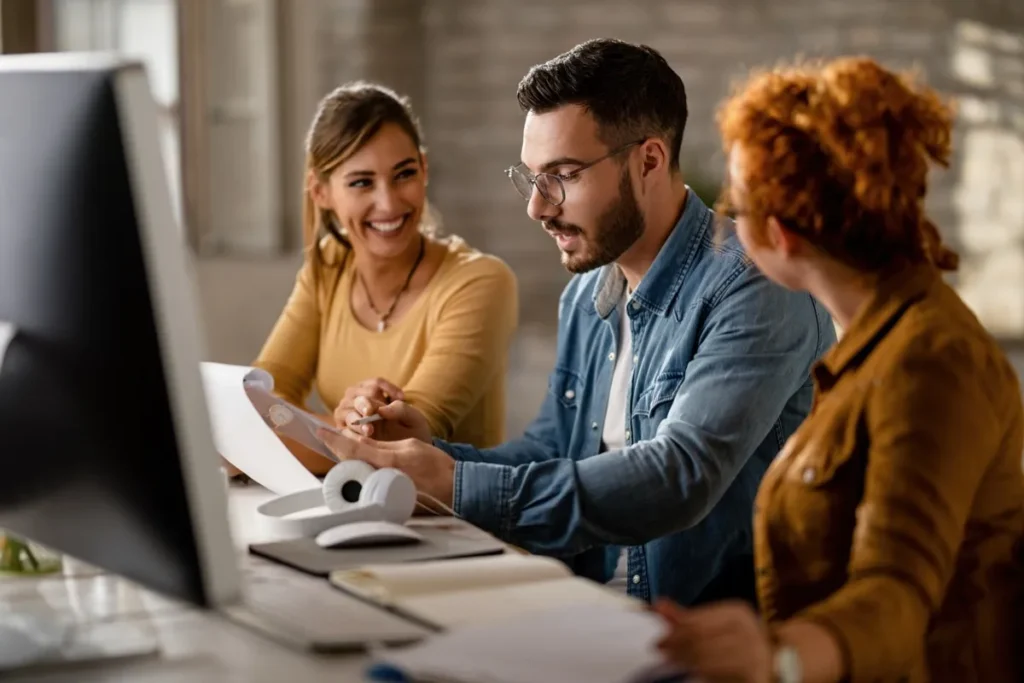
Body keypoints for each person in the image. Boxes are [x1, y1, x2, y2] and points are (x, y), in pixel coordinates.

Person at [320, 39, 835, 606]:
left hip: (707, 638)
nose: (538, 207)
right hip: (586, 607)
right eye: (532, 177)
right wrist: (436, 456)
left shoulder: (756, 284)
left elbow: (680, 477)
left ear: (649, 161)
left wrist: (454, 485)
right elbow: (553, 450)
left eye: (563, 175)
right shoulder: (587, 294)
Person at [652, 57, 1024, 683]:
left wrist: (779, 657)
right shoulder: (875, 342)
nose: (726, 225)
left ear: (783, 234)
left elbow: (897, 590)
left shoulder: (932, 362)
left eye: (737, 207)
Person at [252, 82, 519, 475]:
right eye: (361, 182)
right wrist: (342, 431)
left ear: (424, 169)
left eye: (403, 174)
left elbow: (401, 441)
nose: (389, 203)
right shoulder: (327, 267)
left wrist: (277, 435)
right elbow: (260, 399)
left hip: (456, 526)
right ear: (321, 192)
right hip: (353, 508)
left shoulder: (480, 282)